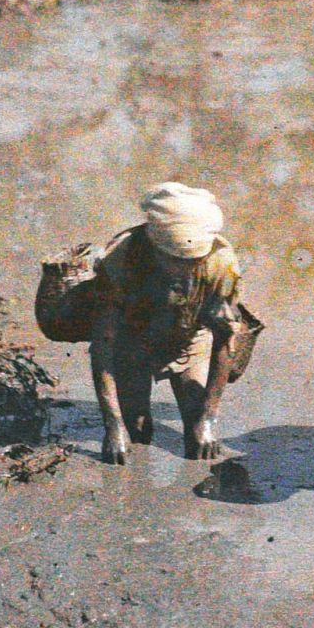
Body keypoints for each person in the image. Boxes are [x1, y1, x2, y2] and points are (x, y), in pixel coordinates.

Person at [90, 183, 250, 466]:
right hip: (133, 342)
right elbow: (103, 345)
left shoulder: (221, 264)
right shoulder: (122, 259)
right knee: (137, 429)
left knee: (197, 432)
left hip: (190, 340)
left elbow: (226, 342)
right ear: (156, 247)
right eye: (175, 260)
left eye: (193, 261)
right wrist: (112, 426)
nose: (184, 268)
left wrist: (209, 418)